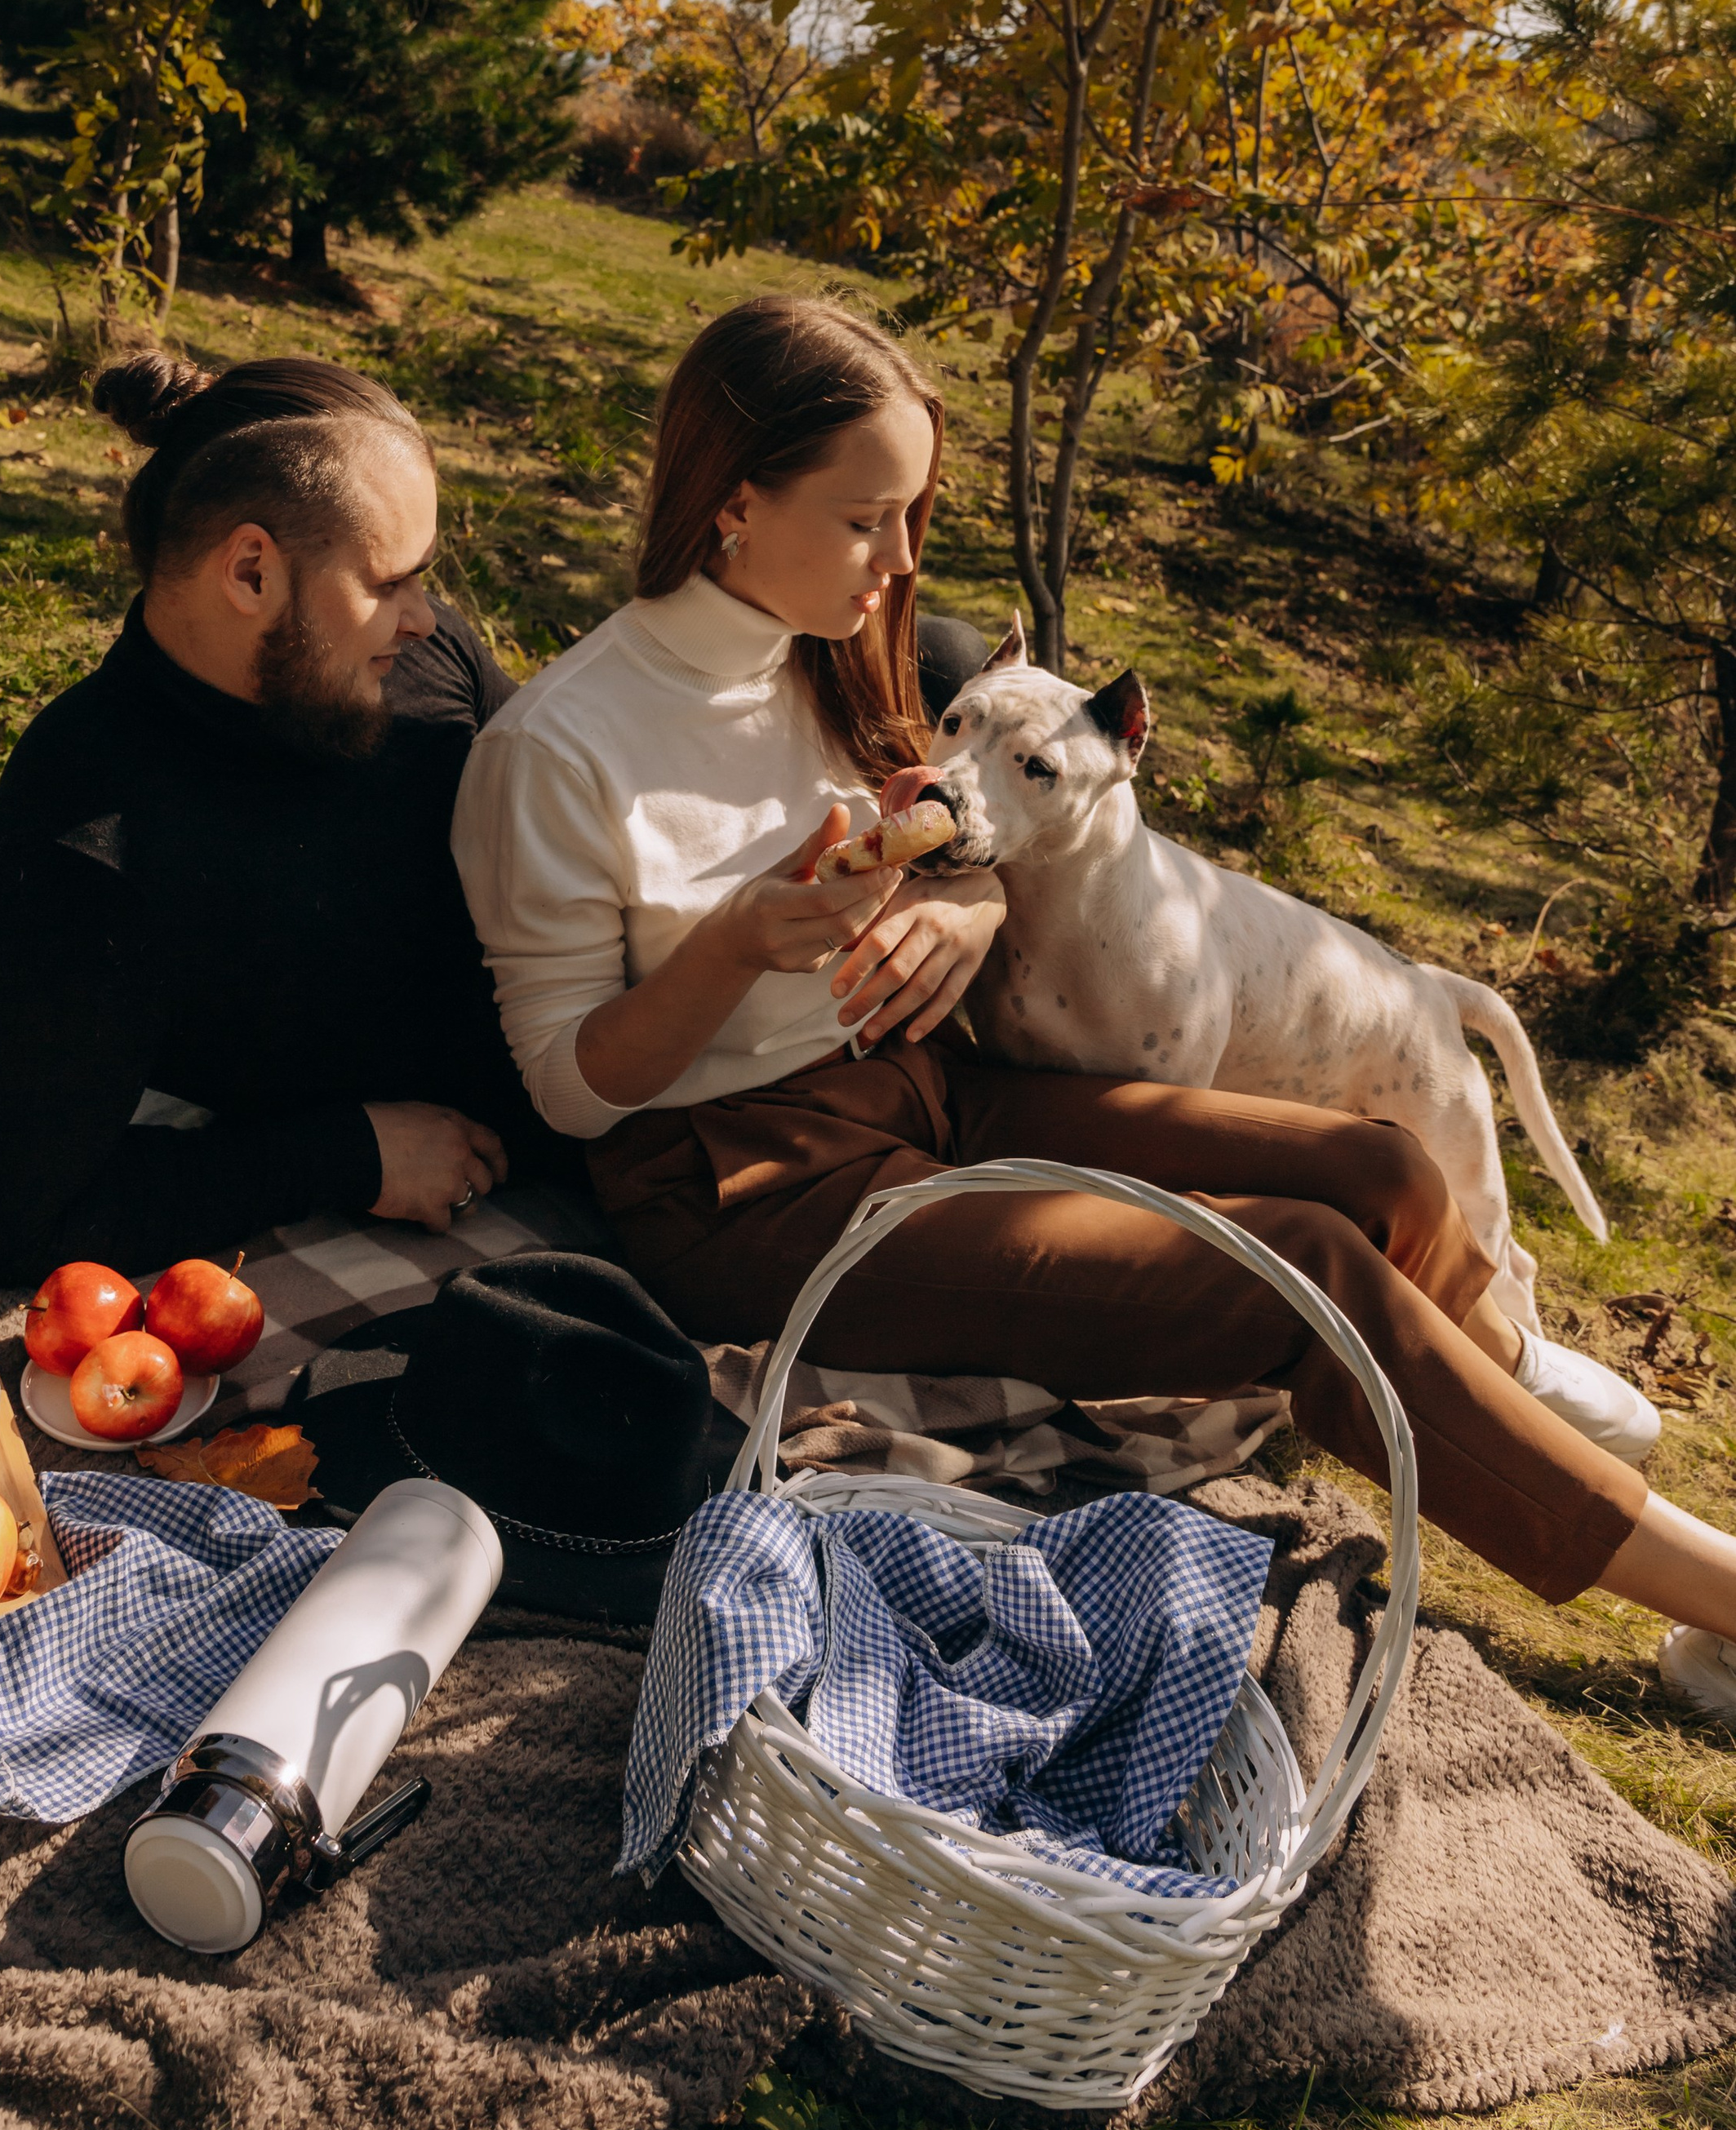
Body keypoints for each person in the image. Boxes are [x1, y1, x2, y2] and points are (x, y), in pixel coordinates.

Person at [452, 293, 1736, 1724]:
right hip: (753, 1187)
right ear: (736, 506)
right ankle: (1713, 1594)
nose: (902, 565)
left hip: (934, 1092)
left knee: (1377, 1165)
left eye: (915, 518)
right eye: (869, 519)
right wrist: (739, 942)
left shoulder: (827, 652)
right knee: (1299, 1264)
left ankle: (1480, 1386)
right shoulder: (556, 750)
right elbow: (573, 1089)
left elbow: (978, 831)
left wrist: (967, 900)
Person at [0, 351, 570, 1289]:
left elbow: (556, 806)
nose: (428, 618)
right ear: (252, 571)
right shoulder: (85, 846)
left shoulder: (404, 658)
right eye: (389, 584)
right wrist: (346, 1155)